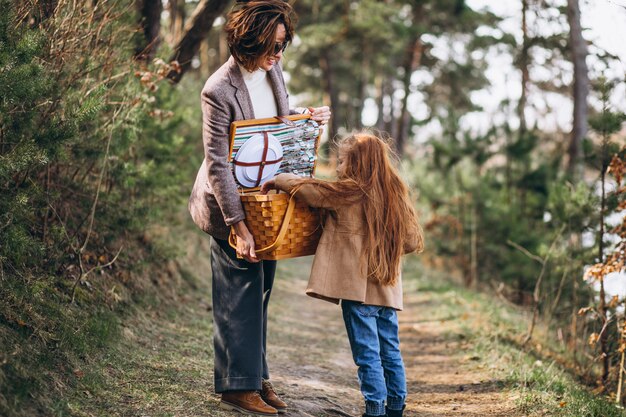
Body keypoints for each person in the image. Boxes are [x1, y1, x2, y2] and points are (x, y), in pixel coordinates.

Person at [188, 1, 331, 416]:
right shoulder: (218, 90)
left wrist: (304, 116)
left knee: (262, 289)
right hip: (229, 202)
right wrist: (238, 224)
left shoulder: (273, 70)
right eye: (272, 46)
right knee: (239, 291)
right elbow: (217, 164)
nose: (278, 55)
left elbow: (272, 124)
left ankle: (257, 377)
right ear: (247, 41)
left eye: (283, 45)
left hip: (265, 201)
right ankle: (237, 387)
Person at [261, 131, 424, 417]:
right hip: (387, 291)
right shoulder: (395, 194)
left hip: (357, 293)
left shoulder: (347, 193)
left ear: (358, 164)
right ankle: (395, 408)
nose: (337, 168)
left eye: (341, 161)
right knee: (390, 352)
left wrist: (279, 179)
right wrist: (381, 248)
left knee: (367, 355)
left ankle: (374, 410)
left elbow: (308, 189)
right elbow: (411, 241)